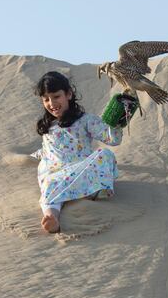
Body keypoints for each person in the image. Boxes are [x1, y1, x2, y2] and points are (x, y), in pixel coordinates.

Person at [32, 71, 122, 233]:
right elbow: (46, 151)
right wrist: (32, 157)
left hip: (81, 169)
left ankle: (91, 191)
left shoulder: (85, 120)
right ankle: (52, 217)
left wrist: (117, 124)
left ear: (69, 94)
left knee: (105, 154)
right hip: (57, 173)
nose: (52, 103)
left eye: (56, 96)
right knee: (49, 184)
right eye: (46, 99)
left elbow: (111, 139)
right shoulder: (47, 127)